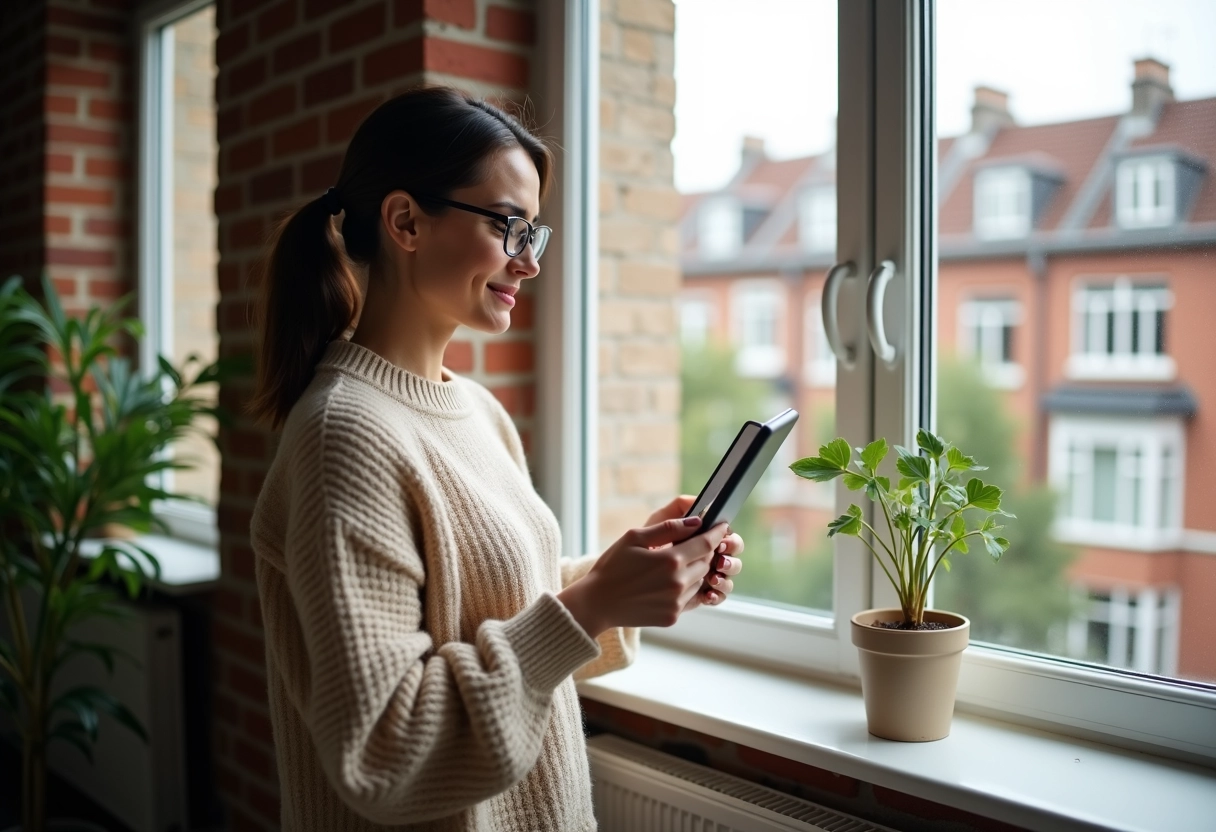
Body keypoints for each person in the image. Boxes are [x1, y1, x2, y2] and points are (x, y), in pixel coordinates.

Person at [246, 86, 745, 831]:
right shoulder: (342, 436)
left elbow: (492, 612)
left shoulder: (476, 409)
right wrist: (594, 602)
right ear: (406, 221)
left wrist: (626, 572)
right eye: (510, 226)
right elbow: (384, 751)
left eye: (532, 234)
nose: (529, 263)